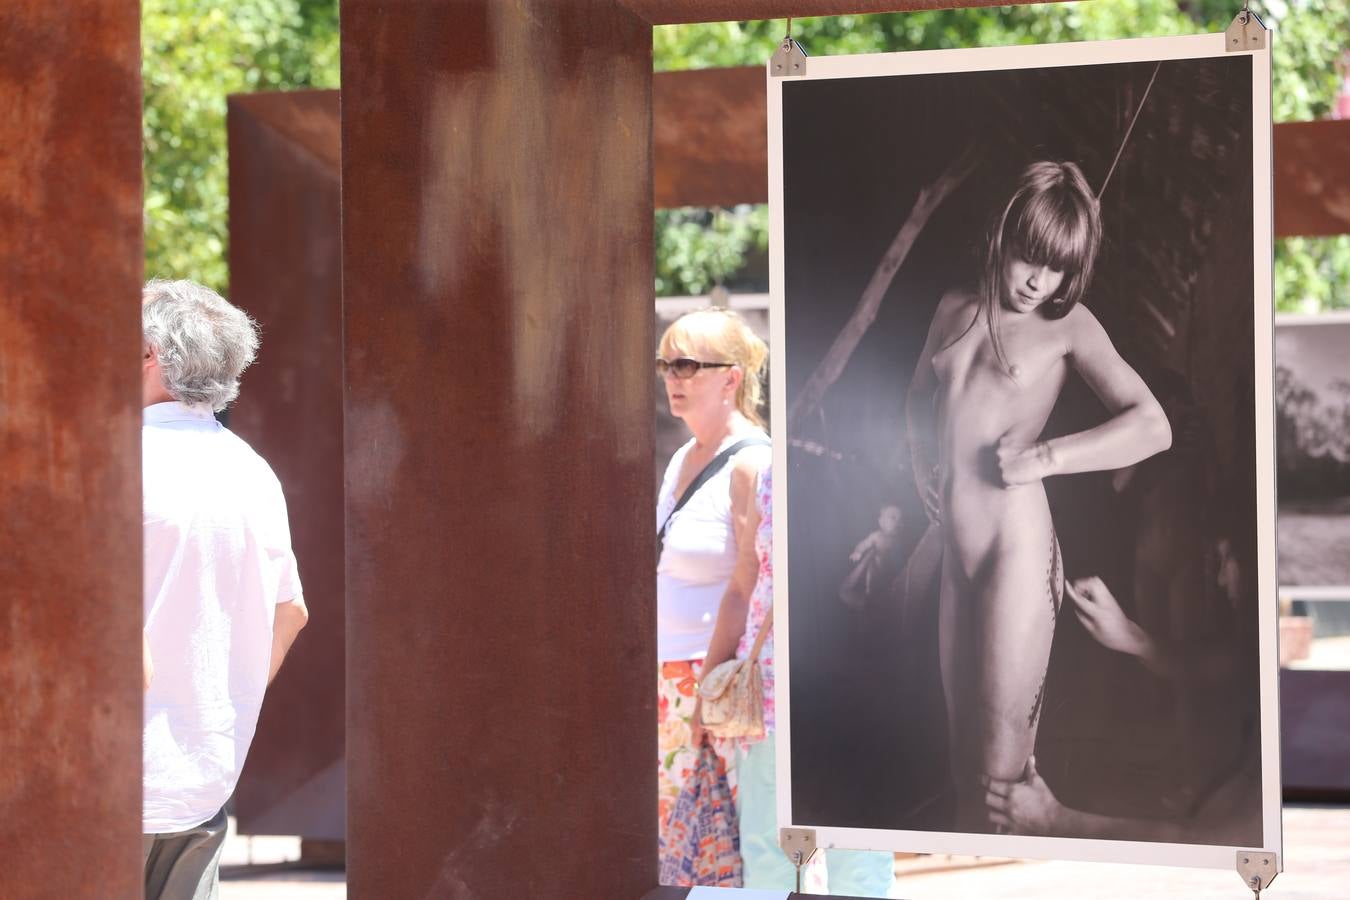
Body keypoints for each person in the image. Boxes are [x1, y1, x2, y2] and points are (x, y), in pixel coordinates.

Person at [905, 161, 1172, 830]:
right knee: (961, 770)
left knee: (1001, 787)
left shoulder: (1070, 325)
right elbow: (916, 400)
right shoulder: (950, 311)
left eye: (1056, 269)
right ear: (1003, 236)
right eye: (1030, 257)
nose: (1037, 281)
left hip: (1014, 553)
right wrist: (919, 467)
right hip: (955, 553)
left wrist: (1045, 458)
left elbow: (1153, 426)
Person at [140, 279, 309, 900]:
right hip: (206, 777)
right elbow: (290, 612)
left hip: (107, 783)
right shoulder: (252, 470)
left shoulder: (116, 461)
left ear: (150, 354)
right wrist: (222, 696)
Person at [985, 571, 1261, 845]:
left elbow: (1220, 843)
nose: (1223, 576)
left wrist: (1052, 820)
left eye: (1232, 558)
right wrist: (1131, 636)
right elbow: (1227, 667)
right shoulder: (1259, 656)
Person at [731, 468, 895, 895]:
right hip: (769, 694)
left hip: (851, 689)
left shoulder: (871, 460)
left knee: (857, 854)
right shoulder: (765, 475)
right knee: (769, 857)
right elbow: (745, 578)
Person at [655, 308, 771, 882]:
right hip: (666, 679)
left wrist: (707, 688)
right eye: (666, 364)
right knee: (679, 855)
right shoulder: (682, 456)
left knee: (727, 852)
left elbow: (749, 585)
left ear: (731, 377)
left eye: (687, 364)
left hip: (716, 684)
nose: (672, 377)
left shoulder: (754, 461)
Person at [838, 504, 904, 610]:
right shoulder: (878, 536)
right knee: (874, 580)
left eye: (901, 520)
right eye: (893, 518)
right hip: (876, 575)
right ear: (881, 522)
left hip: (890, 575)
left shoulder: (899, 541)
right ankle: (872, 594)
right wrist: (858, 552)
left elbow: (900, 560)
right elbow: (864, 544)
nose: (898, 522)